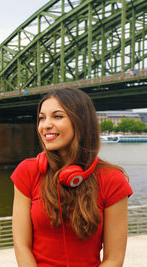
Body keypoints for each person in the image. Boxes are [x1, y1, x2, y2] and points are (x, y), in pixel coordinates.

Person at [11, 88, 133, 267]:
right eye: (42, 118)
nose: (45, 125)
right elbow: (21, 245)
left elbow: (114, 259)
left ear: (81, 122)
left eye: (57, 116)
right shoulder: (27, 172)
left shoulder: (112, 180)